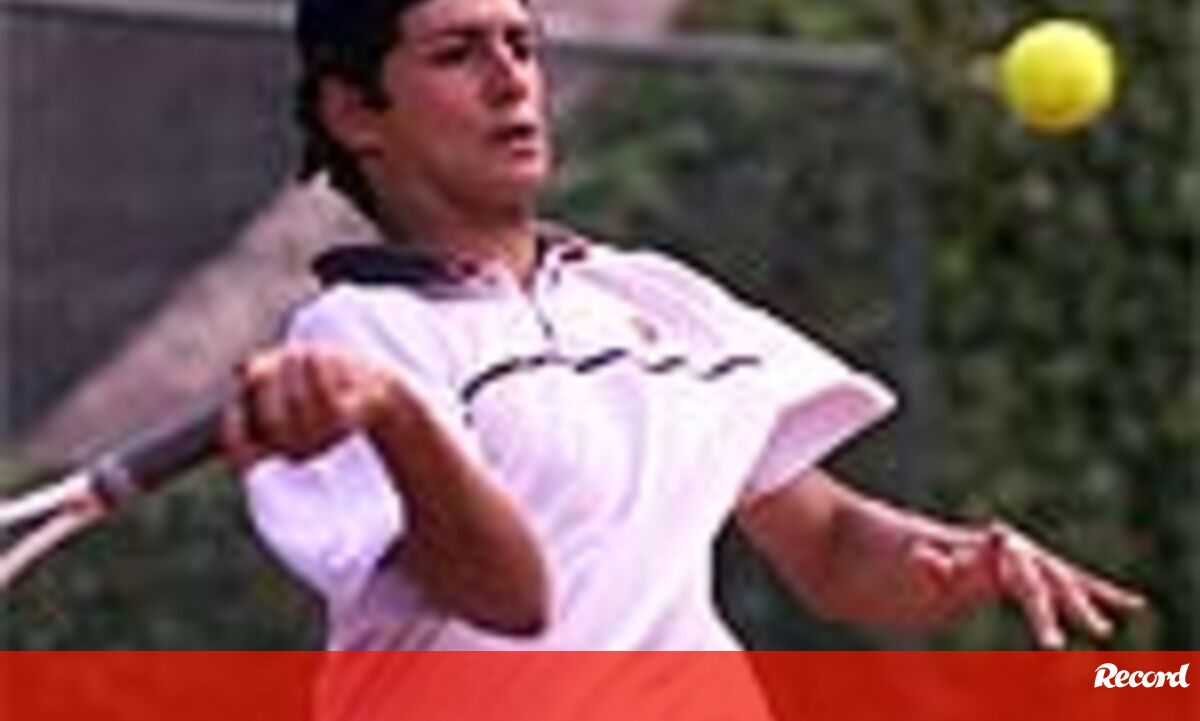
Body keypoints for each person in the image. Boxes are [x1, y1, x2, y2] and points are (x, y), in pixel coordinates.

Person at [223, 0, 1144, 657]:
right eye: (459, 52)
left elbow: (829, 546)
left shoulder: (651, 297)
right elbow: (508, 596)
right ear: (355, 111)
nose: (511, 81)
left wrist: (957, 563)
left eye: (522, 44)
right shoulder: (355, 339)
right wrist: (395, 418)